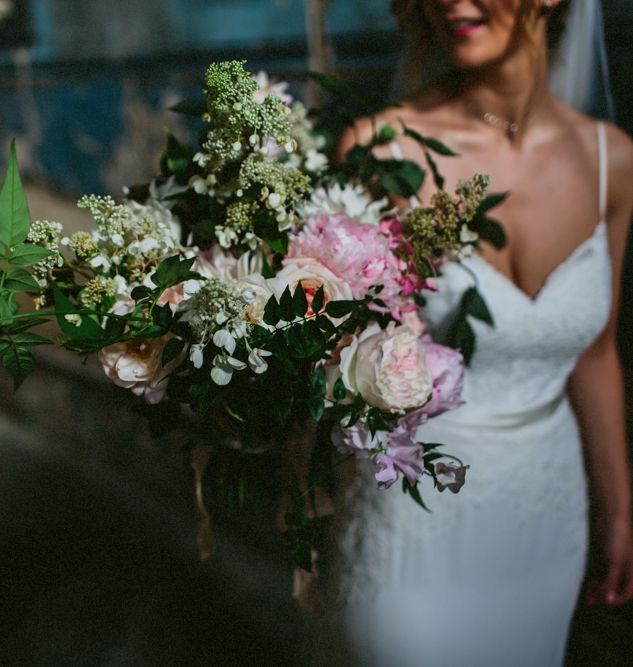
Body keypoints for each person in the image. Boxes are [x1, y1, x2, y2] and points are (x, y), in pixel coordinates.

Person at [321, 1, 633, 664]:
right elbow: (337, 351)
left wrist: (619, 506)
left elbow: (595, 351)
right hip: (411, 510)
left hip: (545, 513)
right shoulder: (381, 150)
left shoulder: (613, 162)